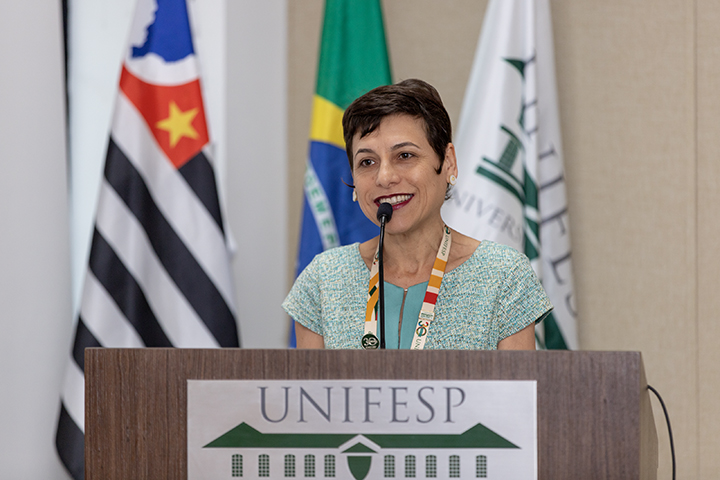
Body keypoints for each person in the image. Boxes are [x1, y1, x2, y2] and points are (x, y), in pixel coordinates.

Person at [283, 79, 552, 350]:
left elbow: (517, 392)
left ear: (447, 162)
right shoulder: (324, 279)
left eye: (405, 156)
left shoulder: (503, 276)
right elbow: (308, 391)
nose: (384, 177)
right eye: (367, 162)